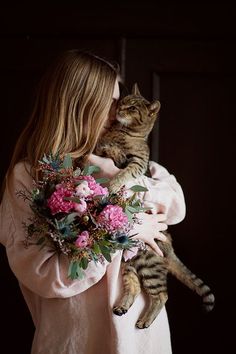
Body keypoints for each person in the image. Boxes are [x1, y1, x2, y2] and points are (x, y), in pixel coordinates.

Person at [0, 49, 186, 354]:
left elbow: (176, 206)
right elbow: (49, 279)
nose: (117, 113)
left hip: (142, 342)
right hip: (75, 342)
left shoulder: (125, 158)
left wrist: (119, 175)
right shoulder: (29, 176)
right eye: (111, 103)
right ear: (80, 105)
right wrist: (125, 232)